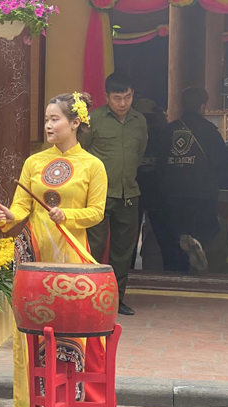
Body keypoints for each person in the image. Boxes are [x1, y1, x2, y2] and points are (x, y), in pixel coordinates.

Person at [0, 92, 114, 407]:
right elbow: (21, 210)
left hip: (73, 258)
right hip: (35, 256)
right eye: (46, 119)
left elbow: (97, 213)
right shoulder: (34, 162)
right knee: (38, 331)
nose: (48, 124)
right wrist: (5, 215)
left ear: (75, 123)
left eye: (55, 119)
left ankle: (84, 405)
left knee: (81, 334)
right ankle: (44, 404)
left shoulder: (93, 165)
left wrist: (68, 214)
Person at [81, 73, 148, 315]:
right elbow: (82, 155)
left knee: (123, 251)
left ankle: (115, 300)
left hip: (129, 193)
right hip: (98, 196)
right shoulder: (93, 119)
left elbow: (138, 154)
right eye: (117, 98)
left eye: (128, 97)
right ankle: (88, 298)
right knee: (94, 247)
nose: (123, 103)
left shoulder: (139, 120)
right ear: (107, 97)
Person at [155, 87, 224, 274]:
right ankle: (198, 244)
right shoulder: (210, 131)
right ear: (203, 106)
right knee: (209, 227)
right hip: (203, 192)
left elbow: (159, 162)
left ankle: (178, 272)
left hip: (173, 193)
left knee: (176, 232)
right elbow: (220, 161)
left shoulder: (169, 130)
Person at [130, 98, 168, 269]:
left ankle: (133, 268)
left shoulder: (160, 134)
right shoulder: (161, 133)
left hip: (151, 187)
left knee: (157, 232)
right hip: (143, 187)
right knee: (154, 232)